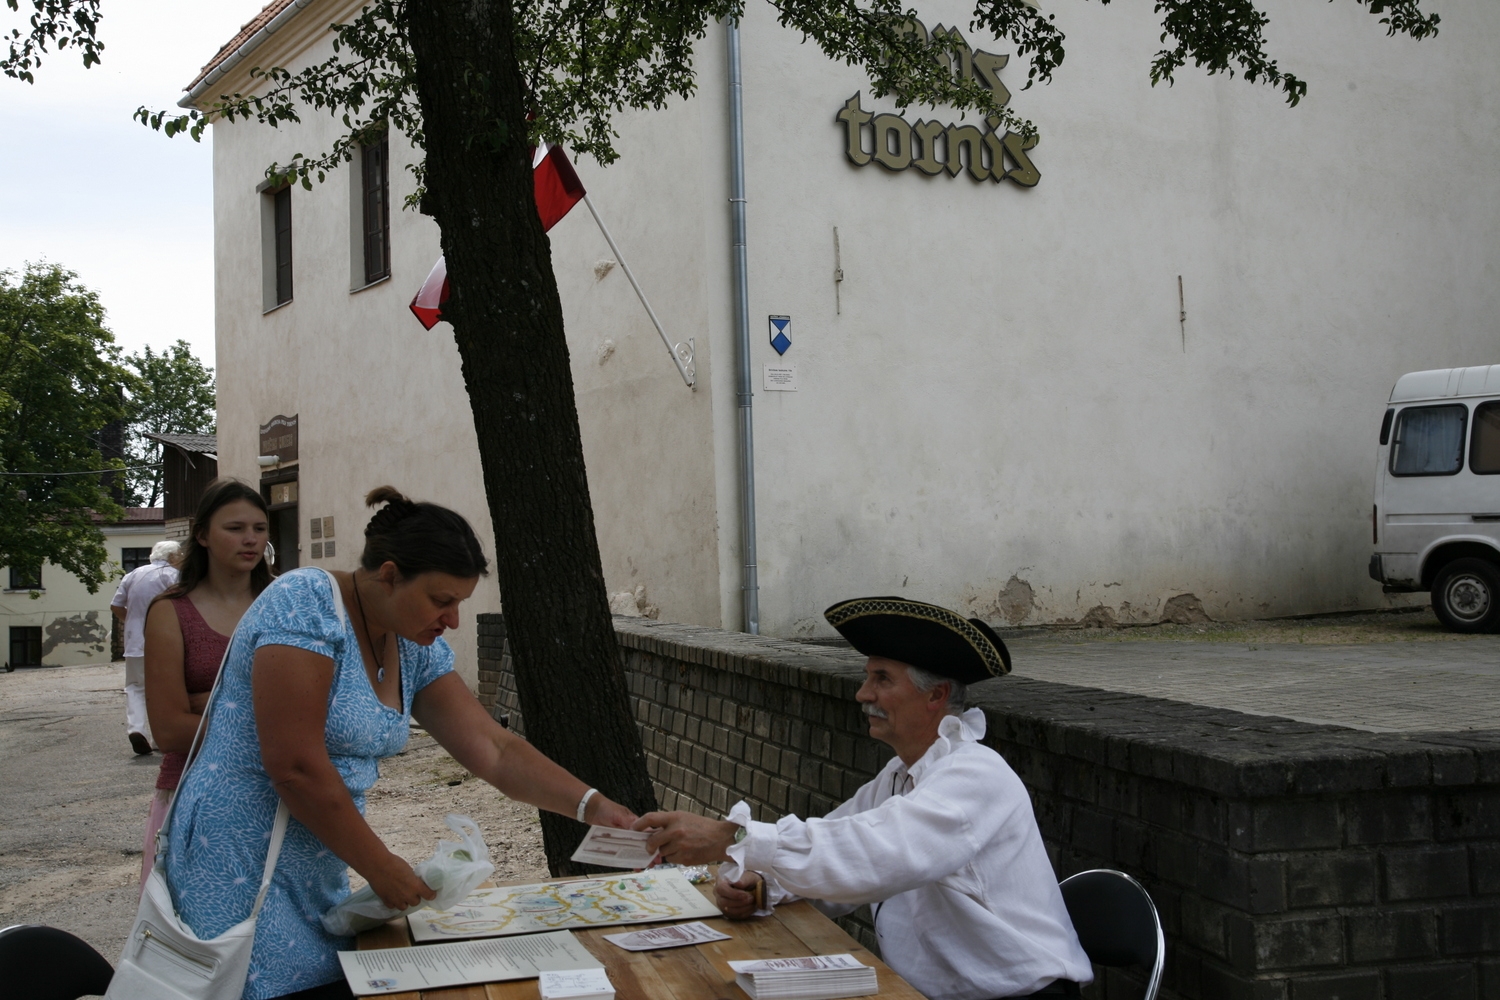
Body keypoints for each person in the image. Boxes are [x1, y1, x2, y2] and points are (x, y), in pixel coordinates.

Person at [162, 487, 638, 1000]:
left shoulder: (411, 641)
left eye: (459, 603)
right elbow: (294, 766)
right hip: (238, 854)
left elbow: (493, 748)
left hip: (314, 847)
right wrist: (380, 866)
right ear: (388, 575)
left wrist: (593, 806)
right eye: (442, 600)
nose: (452, 619)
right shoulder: (304, 602)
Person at [635, 597, 1094, 1000]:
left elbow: (874, 853)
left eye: (882, 679)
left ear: (934, 696)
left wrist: (734, 837)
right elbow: (839, 848)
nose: (863, 693)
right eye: (867, 676)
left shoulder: (975, 775)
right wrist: (755, 887)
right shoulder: (901, 774)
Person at [141, 480, 273, 888]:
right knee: (195, 937)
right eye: (235, 528)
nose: (250, 539)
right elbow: (168, 730)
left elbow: (322, 705)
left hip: (281, 793)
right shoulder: (171, 612)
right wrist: (270, 717)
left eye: (260, 528)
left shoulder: (283, 603)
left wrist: (212, 705)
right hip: (193, 794)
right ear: (202, 536)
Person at [110, 539, 181, 755]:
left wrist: (132, 621)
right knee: (165, 688)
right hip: (165, 641)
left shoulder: (133, 574)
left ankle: (136, 729)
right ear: (172, 557)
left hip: (134, 641)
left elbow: (116, 605)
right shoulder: (174, 576)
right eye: (180, 555)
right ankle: (160, 738)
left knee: (135, 687)